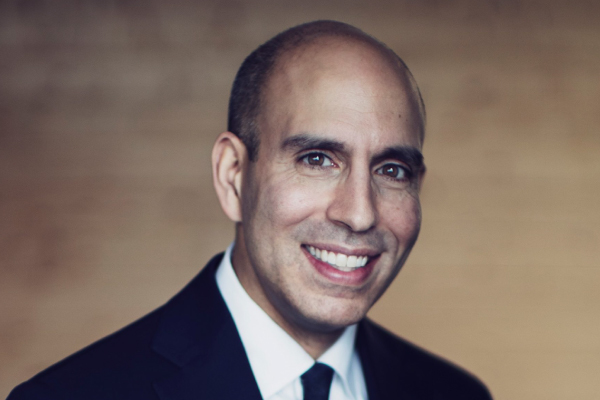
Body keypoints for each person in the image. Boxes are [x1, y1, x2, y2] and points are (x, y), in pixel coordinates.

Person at [8, 20, 492, 400]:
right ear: (233, 174)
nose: (360, 213)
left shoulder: (455, 395)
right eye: (317, 160)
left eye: (391, 171)